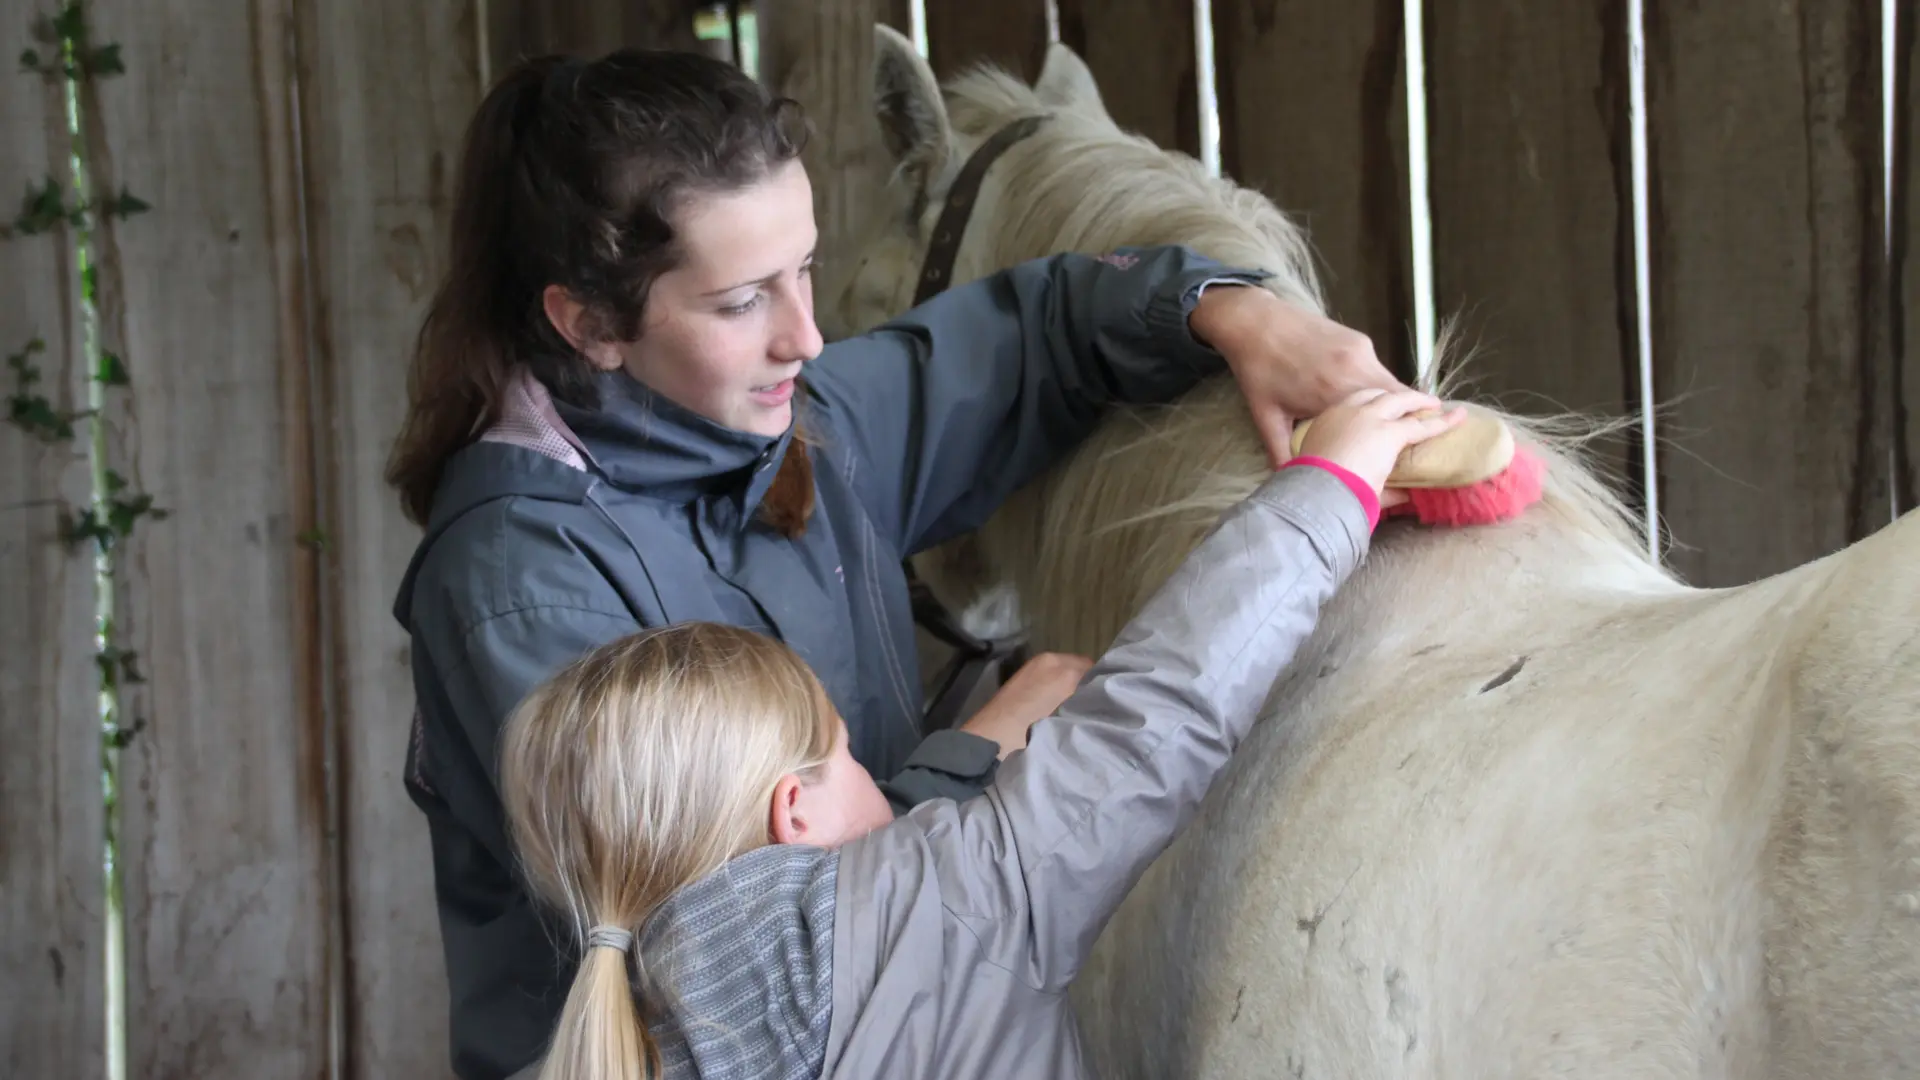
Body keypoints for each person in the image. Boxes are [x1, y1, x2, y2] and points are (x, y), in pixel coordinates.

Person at [385, 46, 1413, 1080]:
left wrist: (1230, 311)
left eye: (807, 271)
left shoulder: (790, 426)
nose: (808, 335)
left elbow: (1035, 340)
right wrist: (975, 761)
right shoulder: (521, 589)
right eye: (742, 301)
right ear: (590, 323)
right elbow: (750, 974)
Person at [498, 386, 1463, 1080]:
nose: (883, 782)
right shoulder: (944, 907)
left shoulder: (626, 1034)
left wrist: (977, 748)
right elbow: (1152, 722)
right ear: (794, 811)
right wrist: (1329, 487)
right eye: (845, 757)